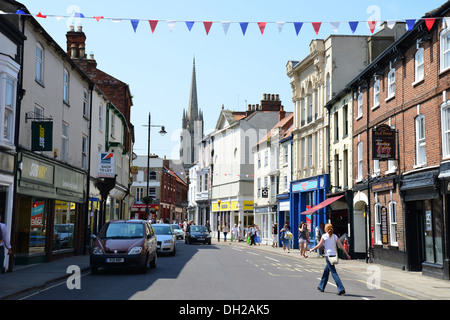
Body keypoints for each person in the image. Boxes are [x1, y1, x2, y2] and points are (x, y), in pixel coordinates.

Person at [309, 223, 350, 295]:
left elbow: (319, 245)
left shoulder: (324, 236)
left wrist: (312, 249)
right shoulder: (335, 236)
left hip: (328, 256)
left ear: (325, 229)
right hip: (334, 256)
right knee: (326, 271)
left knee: (334, 273)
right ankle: (321, 286)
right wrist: (347, 254)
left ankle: (341, 288)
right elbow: (341, 246)